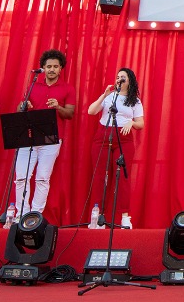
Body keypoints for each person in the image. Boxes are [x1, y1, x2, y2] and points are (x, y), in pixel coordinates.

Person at [13, 49, 76, 216]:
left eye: (55, 66)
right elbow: (20, 109)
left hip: (52, 138)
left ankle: (34, 215)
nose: (52, 70)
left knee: (42, 178)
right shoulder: (33, 85)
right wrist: (23, 106)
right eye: (48, 66)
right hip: (29, 136)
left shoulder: (67, 89)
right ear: (42, 68)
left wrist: (58, 107)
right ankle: (21, 214)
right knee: (21, 177)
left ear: (61, 68)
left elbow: (69, 114)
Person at [86, 66, 144, 229]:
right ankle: (97, 215)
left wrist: (131, 122)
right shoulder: (109, 97)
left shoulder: (134, 100)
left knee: (122, 177)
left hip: (123, 139)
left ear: (129, 81)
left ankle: (125, 217)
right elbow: (91, 111)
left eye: (123, 77)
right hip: (103, 136)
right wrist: (103, 95)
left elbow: (141, 123)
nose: (119, 79)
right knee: (100, 175)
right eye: (118, 77)